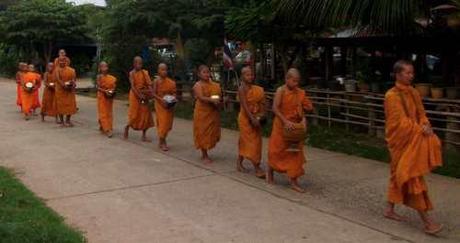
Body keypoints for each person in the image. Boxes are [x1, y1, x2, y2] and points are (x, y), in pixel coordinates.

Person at [383, 60, 443, 235]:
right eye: (407, 73)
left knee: (398, 174)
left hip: (414, 139)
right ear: (398, 74)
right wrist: (420, 129)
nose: (411, 75)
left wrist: (426, 125)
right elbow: (399, 124)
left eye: (412, 73)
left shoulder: (414, 92)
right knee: (411, 177)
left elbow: (421, 114)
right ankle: (428, 223)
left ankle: (389, 210)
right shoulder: (391, 96)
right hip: (400, 141)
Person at [267, 68, 313, 193]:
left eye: (298, 81)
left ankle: (293, 180)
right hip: (281, 126)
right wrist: (285, 121)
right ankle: (270, 172)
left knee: (294, 153)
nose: (296, 84)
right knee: (276, 152)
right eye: (294, 81)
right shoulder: (280, 91)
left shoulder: (300, 93)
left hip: (294, 128)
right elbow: (275, 108)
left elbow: (305, 108)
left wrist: (303, 118)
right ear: (287, 79)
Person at [237, 66, 265, 178]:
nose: (250, 77)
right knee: (251, 142)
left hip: (256, 117)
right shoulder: (241, 89)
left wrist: (261, 115)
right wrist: (251, 118)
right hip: (245, 118)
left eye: (251, 74)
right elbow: (244, 106)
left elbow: (263, 102)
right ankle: (257, 167)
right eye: (247, 75)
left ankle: (239, 163)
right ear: (242, 76)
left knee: (252, 141)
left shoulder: (257, 89)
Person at [192, 65, 222, 164]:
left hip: (212, 111)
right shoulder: (197, 85)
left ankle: (206, 151)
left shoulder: (214, 85)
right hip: (202, 112)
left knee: (211, 133)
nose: (206, 74)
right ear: (199, 74)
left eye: (208, 72)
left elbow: (216, 96)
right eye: (204, 72)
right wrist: (212, 100)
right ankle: (204, 154)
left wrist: (218, 100)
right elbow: (201, 97)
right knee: (202, 132)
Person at [124, 56, 154, 141]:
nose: (139, 65)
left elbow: (149, 84)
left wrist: (151, 93)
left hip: (144, 94)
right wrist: (139, 95)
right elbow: (133, 87)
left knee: (145, 115)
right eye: (137, 63)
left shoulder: (144, 73)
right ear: (134, 64)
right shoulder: (132, 73)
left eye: (141, 63)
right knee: (134, 115)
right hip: (134, 95)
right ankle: (127, 128)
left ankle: (144, 135)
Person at [152, 63, 176, 151]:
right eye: (162, 70)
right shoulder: (156, 81)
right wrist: (161, 100)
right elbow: (153, 93)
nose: (164, 71)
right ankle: (163, 142)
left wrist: (172, 98)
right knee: (163, 123)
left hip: (169, 104)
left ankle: (161, 140)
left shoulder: (171, 82)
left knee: (168, 124)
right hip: (160, 104)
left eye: (165, 69)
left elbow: (174, 92)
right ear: (158, 71)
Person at [97, 62, 117, 138]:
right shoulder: (99, 77)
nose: (105, 68)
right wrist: (105, 91)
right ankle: (107, 129)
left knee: (108, 112)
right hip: (102, 96)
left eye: (106, 66)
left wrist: (111, 91)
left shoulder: (111, 78)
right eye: (103, 67)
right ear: (100, 69)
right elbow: (98, 87)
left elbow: (114, 86)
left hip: (109, 97)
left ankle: (105, 125)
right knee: (103, 112)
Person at [55, 57, 77, 127]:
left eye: (63, 61)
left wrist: (72, 84)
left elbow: (73, 79)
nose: (62, 62)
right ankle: (62, 122)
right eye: (60, 61)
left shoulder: (72, 70)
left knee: (70, 105)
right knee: (60, 105)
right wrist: (64, 85)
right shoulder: (57, 70)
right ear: (58, 62)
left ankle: (68, 120)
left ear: (66, 61)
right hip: (60, 90)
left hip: (69, 91)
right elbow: (58, 79)